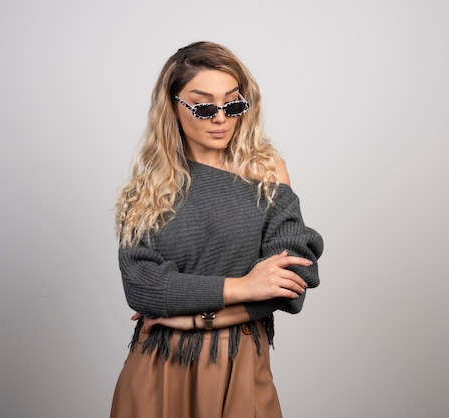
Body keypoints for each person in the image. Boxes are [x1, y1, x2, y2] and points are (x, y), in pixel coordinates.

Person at [110, 41, 323, 418]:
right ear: (173, 106)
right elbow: (142, 286)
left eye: (233, 103)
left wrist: (187, 315)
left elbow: (291, 282)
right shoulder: (147, 189)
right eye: (204, 106)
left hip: (238, 364)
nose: (221, 117)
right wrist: (244, 287)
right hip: (157, 368)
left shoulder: (266, 171)